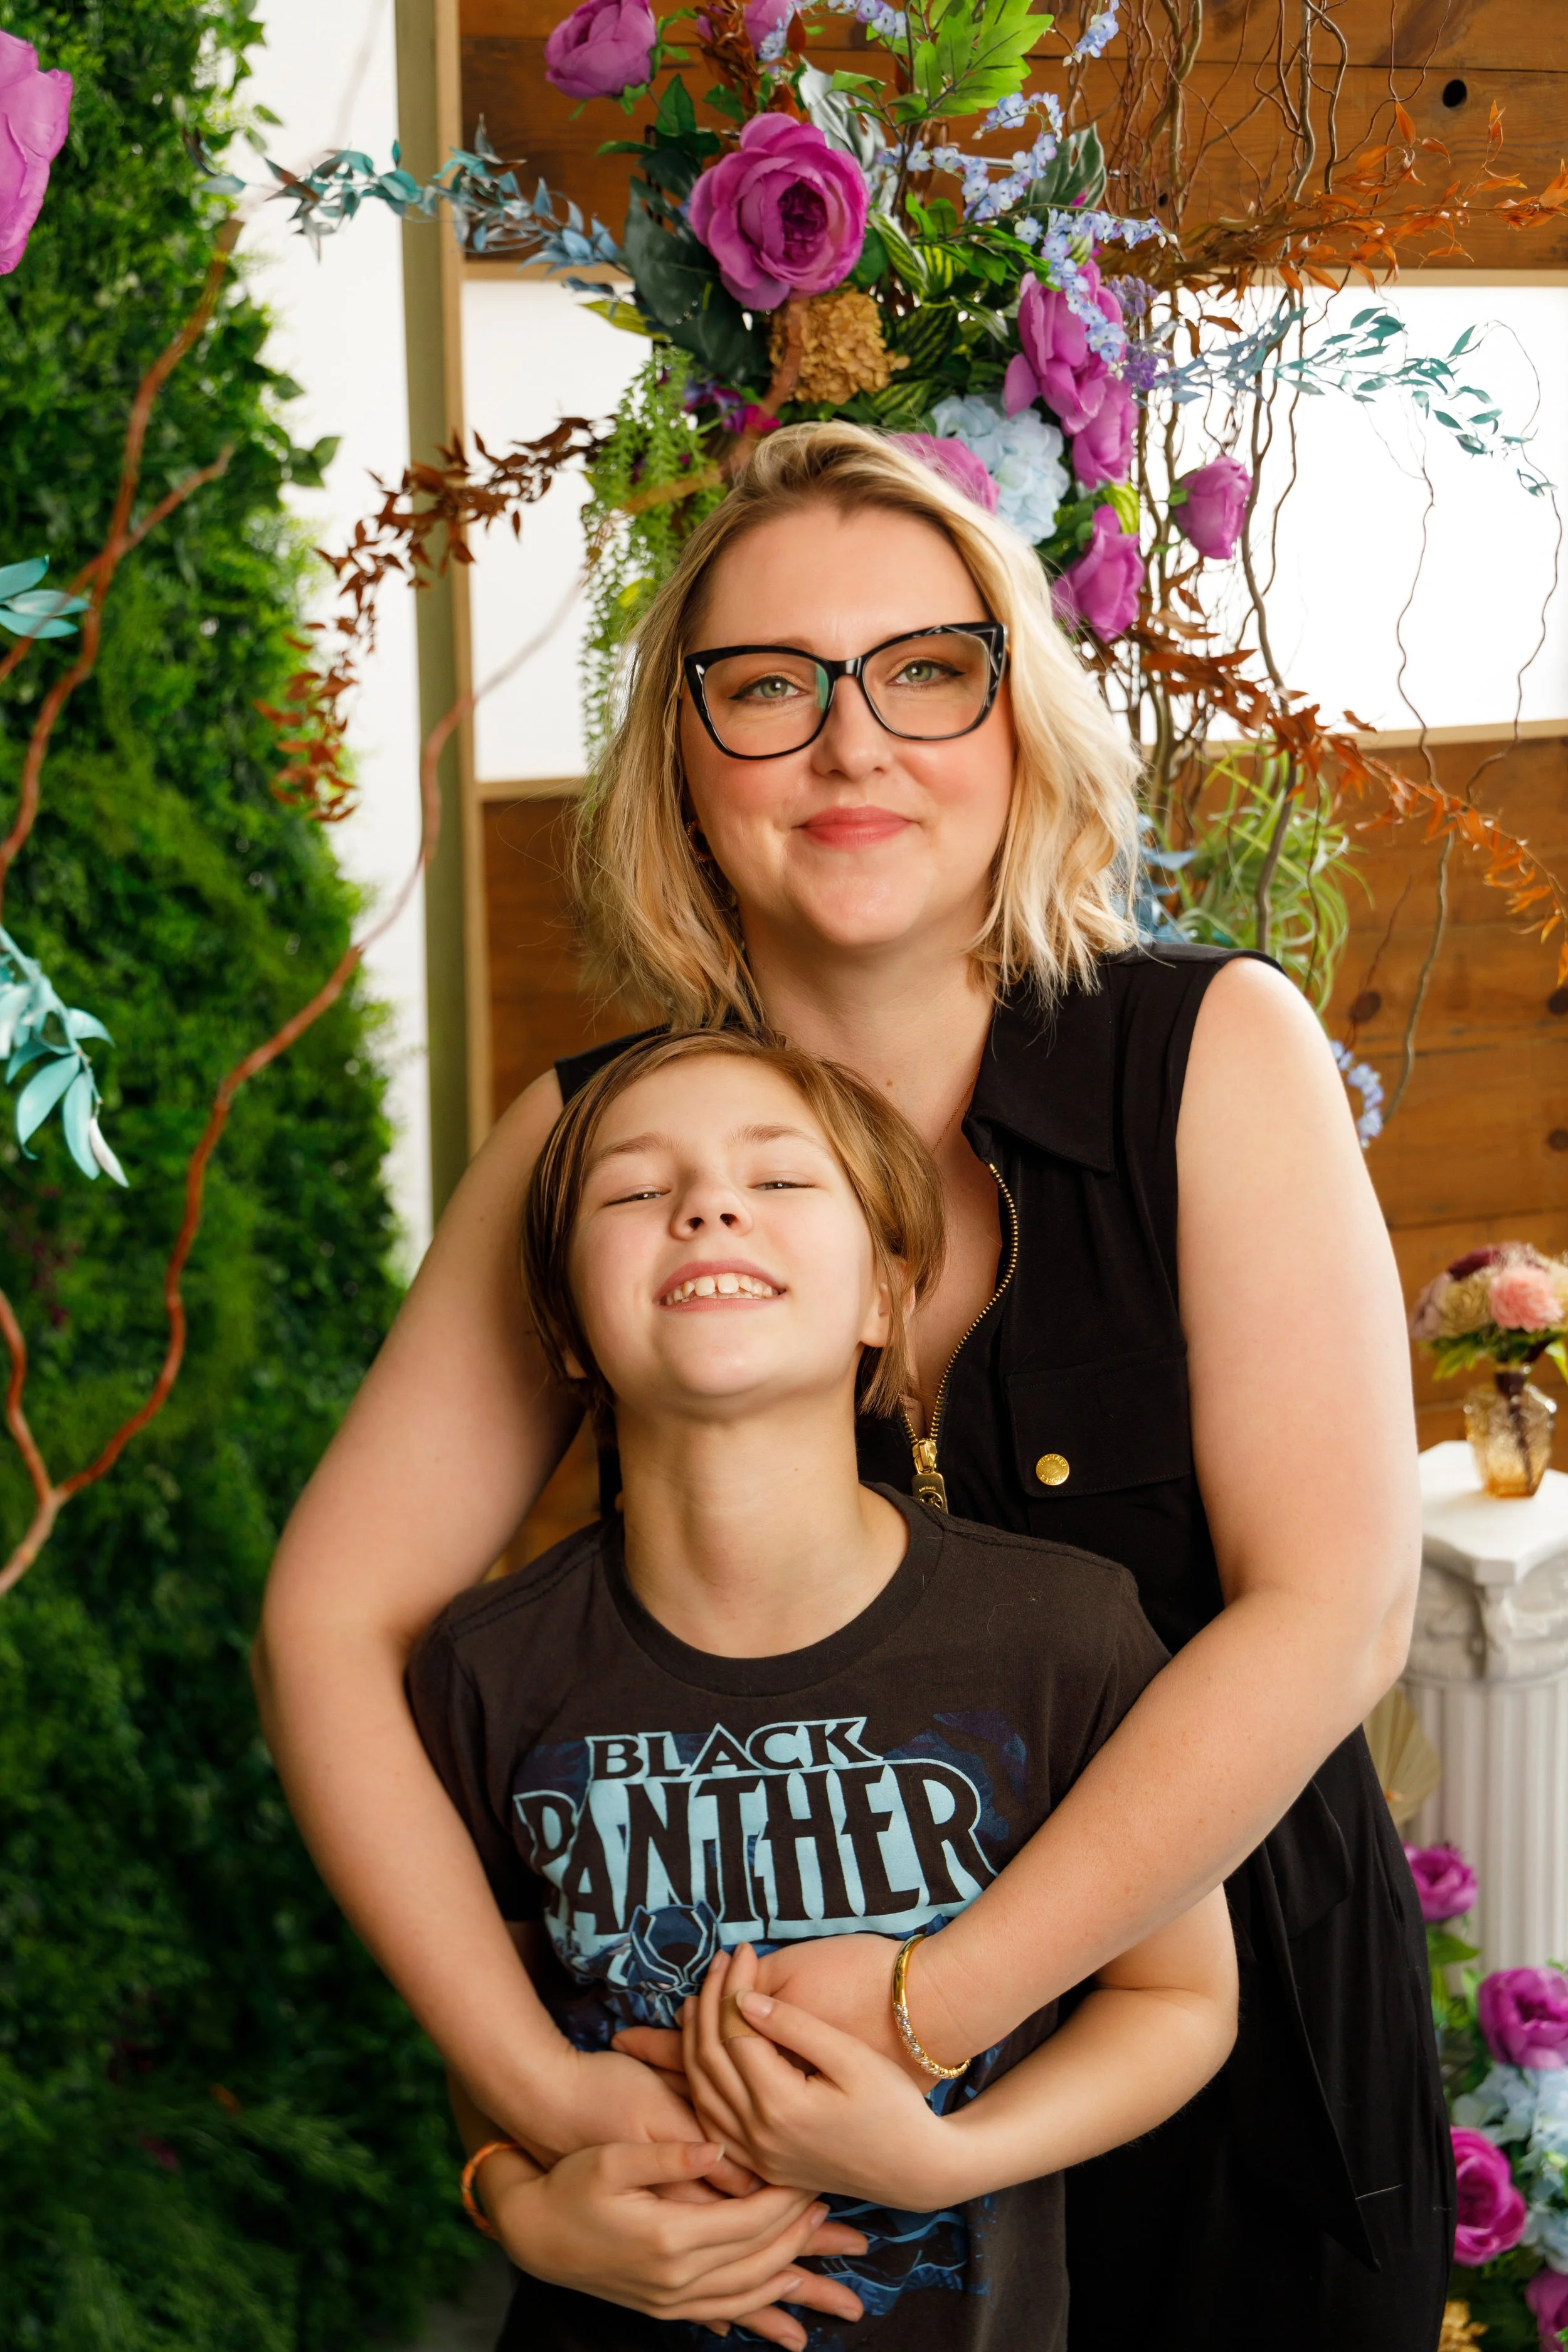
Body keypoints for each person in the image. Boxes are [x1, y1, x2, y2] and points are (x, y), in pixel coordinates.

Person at [253, 421, 1453, 2349]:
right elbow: (330, 1621)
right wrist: (538, 2119)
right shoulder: (588, 1142)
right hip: (771, 2196)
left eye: (923, 669)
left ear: (1017, 715)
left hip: (1230, 2084)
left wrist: (927, 2007)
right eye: (766, 688)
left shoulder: (1213, 1048)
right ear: (678, 754)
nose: (850, 744)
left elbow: (1337, 1608)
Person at [405, 1028, 1237, 2350]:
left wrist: (953, 2159)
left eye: (780, 1179)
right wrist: (512, 2195)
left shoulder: (1062, 1636)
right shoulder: (487, 1669)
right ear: (563, 1322)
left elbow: (1179, 1999)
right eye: (636, 1189)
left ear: (886, 1296)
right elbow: (491, 2029)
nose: (707, 1207)